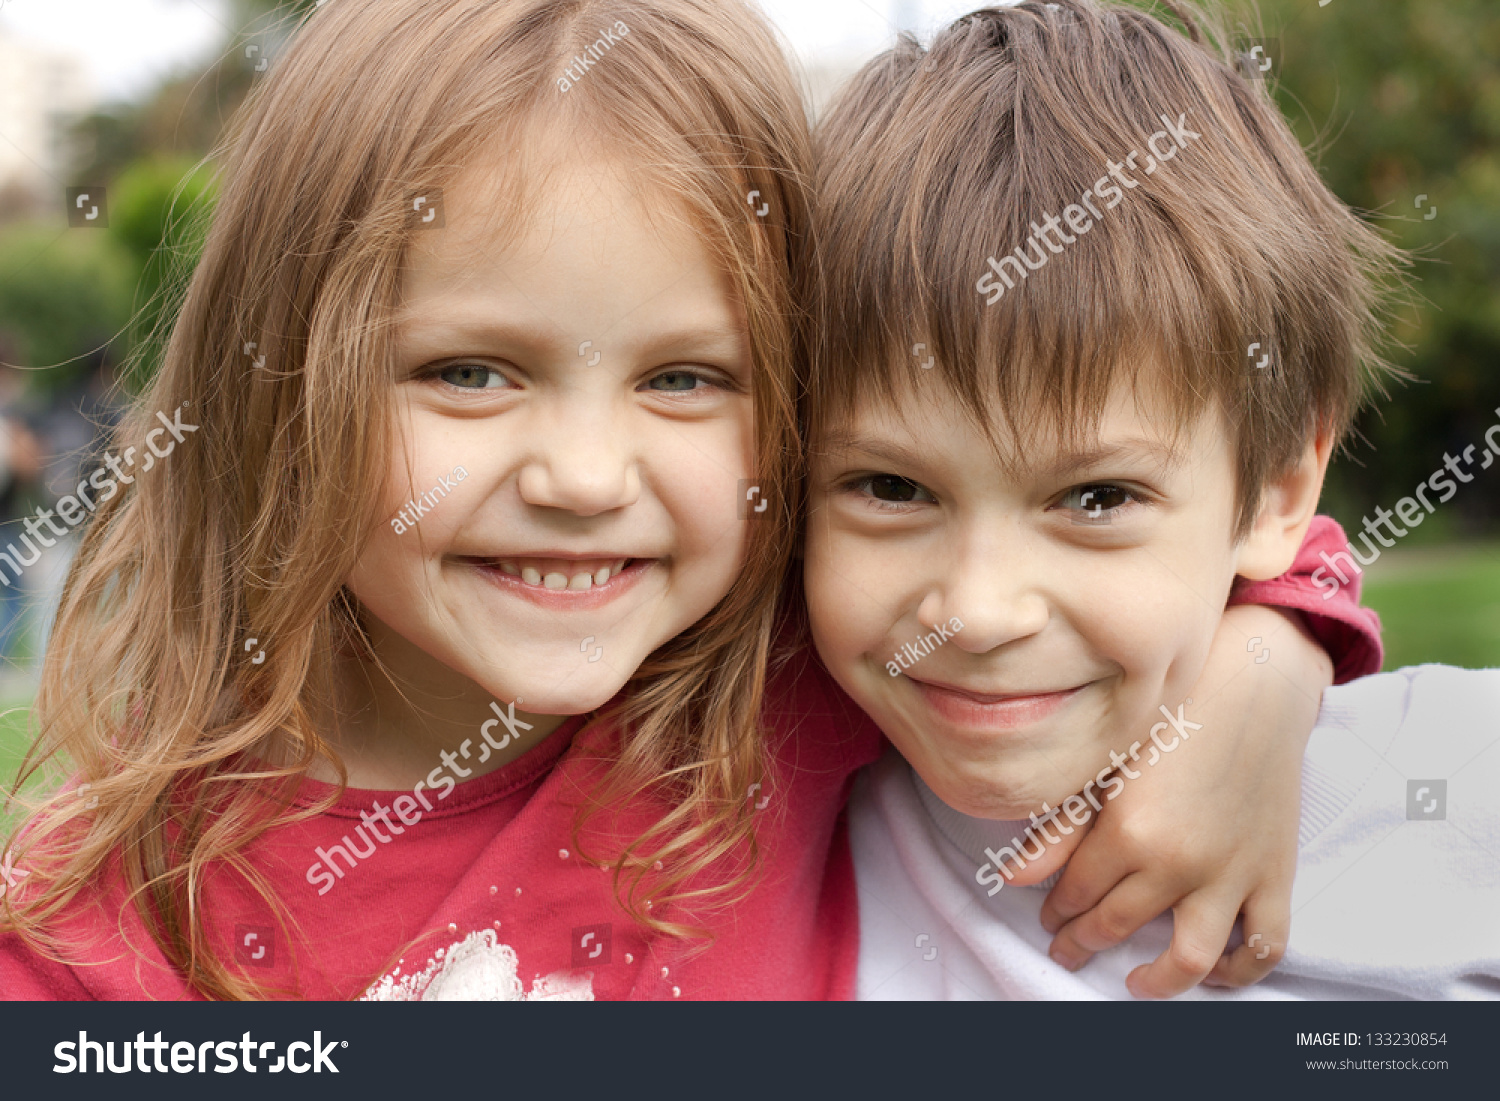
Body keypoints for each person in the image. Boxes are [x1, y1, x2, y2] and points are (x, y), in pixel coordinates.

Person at [1, 0, 1373, 1002]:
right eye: (469, 373)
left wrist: (1267, 663)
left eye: (686, 379)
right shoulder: (93, 928)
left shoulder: (772, 679)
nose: (587, 478)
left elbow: (1170, 522)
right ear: (280, 384)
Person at [802, 0, 1498, 999]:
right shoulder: (770, 795)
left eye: (1094, 499)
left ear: (1278, 491)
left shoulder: (1453, 782)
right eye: (890, 487)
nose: (978, 611)